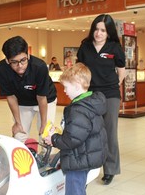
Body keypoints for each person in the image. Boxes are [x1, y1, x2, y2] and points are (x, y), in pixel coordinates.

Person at [44, 63, 108, 195]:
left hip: (78, 160)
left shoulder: (78, 109)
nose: (64, 91)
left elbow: (72, 139)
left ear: (77, 86)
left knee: (74, 191)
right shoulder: (89, 103)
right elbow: (78, 131)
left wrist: (54, 139)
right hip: (87, 154)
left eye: (66, 87)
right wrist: (59, 132)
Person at [77, 14, 126, 185]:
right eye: (96, 29)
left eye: (103, 30)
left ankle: (110, 169)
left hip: (110, 95)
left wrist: (114, 85)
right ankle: (89, 167)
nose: (98, 33)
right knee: (90, 132)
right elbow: (80, 70)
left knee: (109, 133)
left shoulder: (114, 48)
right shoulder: (85, 47)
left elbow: (121, 71)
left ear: (108, 32)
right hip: (90, 94)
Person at [0, 36, 57, 142]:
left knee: (45, 136)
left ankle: (45, 158)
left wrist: (43, 124)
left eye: (23, 60)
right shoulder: (2, 69)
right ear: (7, 60)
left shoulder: (39, 67)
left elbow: (41, 98)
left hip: (46, 100)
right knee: (19, 136)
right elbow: (11, 97)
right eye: (14, 62)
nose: (20, 66)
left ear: (28, 55)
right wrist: (17, 123)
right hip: (22, 102)